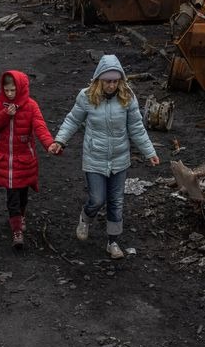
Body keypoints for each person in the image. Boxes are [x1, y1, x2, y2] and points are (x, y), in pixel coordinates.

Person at [48, 55, 160, 259]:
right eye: (108, 81)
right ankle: (85, 217)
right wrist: (60, 141)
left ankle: (113, 242)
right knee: (97, 199)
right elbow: (73, 120)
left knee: (116, 202)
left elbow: (136, 128)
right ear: (99, 79)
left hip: (119, 159)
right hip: (95, 157)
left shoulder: (127, 97)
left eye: (115, 81)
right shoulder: (86, 97)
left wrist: (149, 152)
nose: (111, 85)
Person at [0, 70, 55, 249]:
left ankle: (21, 216)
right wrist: (5, 114)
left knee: (22, 194)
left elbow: (40, 127)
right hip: (5, 160)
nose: (9, 94)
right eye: (6, 90)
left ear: (21, 89)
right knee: (12, 196)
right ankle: (17, 231)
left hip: (24, 160)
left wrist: (50, 144)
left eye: (13, 90)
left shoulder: (31, 106)